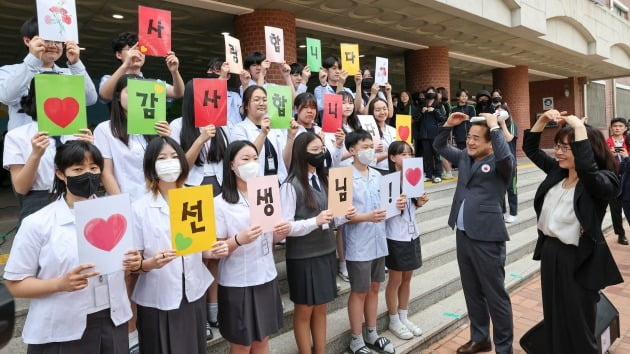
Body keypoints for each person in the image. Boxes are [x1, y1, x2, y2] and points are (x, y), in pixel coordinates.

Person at [4, 140, 140, 353]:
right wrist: (60, 284)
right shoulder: (38, 223)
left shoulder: (118, 214)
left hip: (113, 320)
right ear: (60, 174)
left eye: (94, 168)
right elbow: (15, 283)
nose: (88, 173)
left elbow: (125, 265)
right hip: (60, 328)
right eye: (78, 169)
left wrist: (134, 263)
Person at [524, 110, 623, 354]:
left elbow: (589, 172)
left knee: (579, 321)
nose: (558, 152)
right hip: (551, 252)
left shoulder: (602, 181)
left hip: (579, 259)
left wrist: (580, 128)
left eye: (566, 148)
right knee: (554, 314)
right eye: (557, 146)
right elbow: (531, 150)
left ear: (585, 149)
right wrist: (542, 120)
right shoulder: (558, 174)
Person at [131, 137, 229, 353]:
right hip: (157, 297)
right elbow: (134, 264)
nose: (170, 162)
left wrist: (214, 250)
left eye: (175, 157)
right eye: (162, 157)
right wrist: (150, 263)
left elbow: (202, 246)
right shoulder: (139, 208)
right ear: (151, 165)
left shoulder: (194, 198)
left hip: (192, 293)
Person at [434, 111, 514, 354]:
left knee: (495, 295)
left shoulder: (500, 164)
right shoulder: (466, 158)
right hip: (464, 234)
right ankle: (480, 338)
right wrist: (448, 125)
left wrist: (495, 127)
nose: (470, 142)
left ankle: (504, 348)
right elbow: (439, 145)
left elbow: (507, 159)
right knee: (472, 291)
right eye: (469, 137)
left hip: (488, 237)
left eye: (477, 138)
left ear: (490, 142)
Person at [281, 132, 356, 354]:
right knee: (304, 310)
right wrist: (314, 221)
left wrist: (345, 214)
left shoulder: (325, 179)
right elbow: (285, 228)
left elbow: (332, 218)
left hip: (325, 251)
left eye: (322, 149)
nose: (320, 154)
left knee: (322, 307)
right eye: (314, 150)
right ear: (301, 154)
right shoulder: (290, 185)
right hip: (302, 255)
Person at [214, 140, 291, 353]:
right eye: (245, 159)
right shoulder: (220, 203)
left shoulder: (266, 193)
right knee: (242, 343)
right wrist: (238, 239)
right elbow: (216, 250)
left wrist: (280, 232)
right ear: (231, 165)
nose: (252, 163)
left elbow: (272, 237)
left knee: (263, 339)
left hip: (265, 276)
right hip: (239, 282)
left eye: (255, 158)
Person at [3, 74, 93, 222]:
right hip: (39, 203)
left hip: (80, 199)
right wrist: (35, 155)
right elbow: (21, 188)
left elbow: (93, 176)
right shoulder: (17, 136)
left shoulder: (80, 134)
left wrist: (90, 152)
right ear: (35, 98)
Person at [343, 130, 395, 354]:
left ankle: (371, 331)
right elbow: (338, 215)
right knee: (359, 291)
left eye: (371, 146)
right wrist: (366, 217)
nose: (369, 151)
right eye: (364, 147)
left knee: (374, 287)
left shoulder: (377, 175)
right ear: (352, 151)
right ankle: (356, 339)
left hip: (378, 241)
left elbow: (386, 207)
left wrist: (398, 204)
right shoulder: (343, 177)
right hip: (359, 244)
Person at [0, 17, 97, 130]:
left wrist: (76, 63)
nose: (52, 45)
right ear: (27, 41)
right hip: (26, 144)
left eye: (57, 41)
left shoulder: (71, 73)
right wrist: (32, 60)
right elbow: (6, 97)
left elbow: (90, 99)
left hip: (64, 143)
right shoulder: (9, 71)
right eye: (45, 40)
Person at [94, 74, 172, 200]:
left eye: (139, 92)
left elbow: (167, 167)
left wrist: (166, 139)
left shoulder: (156, 129)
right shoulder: (104, 129)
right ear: (118, 97)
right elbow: (106, 173)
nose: (136, 97)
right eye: (130, 92)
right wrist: (122, 204)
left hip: (155, 201)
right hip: (123, 201)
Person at [385, 141, 429, 340]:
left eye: (410, 154)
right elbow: (384, 213)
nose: (407, 158)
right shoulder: (388, 181)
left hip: (412, 233)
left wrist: (419, 203)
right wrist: (394, 205)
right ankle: (394, 319)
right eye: (402, 154)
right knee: (395, 279)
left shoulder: (414, 178)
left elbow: (413, 208)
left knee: (407, 278)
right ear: (392, 158)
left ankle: (404, 316)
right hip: (395, 235)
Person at [231, 85, 298, 183]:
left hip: (279, 183)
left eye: (265, 100)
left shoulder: (275, 129)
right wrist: (263, 133)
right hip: (256, 185)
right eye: (256, 100)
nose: (262, 103)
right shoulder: (239, 129)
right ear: (245, 105)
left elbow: (286, 162)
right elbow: (247, 161)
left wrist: (290, 137)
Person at [98, 32, 184, 103]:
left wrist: (175, 72)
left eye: (141, 50)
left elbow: (178, 93)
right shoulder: (108, 79)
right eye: (131, 50)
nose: (137, 53)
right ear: (119, 55)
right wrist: (125, 65)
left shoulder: (153, 84)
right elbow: (105, 95)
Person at [606, 117, 630, 245]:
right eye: (615, 126)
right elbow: (601, 160)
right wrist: (610, 156)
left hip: (627, 178)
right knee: (615, 209)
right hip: (613, 178)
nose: (617, 128)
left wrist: (627, 156)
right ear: (611, 128)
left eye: (620, 126)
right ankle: (621, 234)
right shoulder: (606, 142)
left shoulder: (629, 141)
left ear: (625, 128)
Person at [415, 87, 445, 183]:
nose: (430, 94)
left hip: (435, 133)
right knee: (427, 155)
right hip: (424, 134)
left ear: (435, 94)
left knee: (437, 155)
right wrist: (421, 112)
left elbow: (442, 118)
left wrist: (434, 111)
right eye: (428, 92)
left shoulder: (439, 105)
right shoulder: (422, 105)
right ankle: (428, 174)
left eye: (432, 92)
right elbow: (416, 119)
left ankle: (438, 174)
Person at [495, 105, 518, 224]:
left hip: (510, 161)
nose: (498, 112)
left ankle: (513, 213)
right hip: (497, 161)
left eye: (501, 110)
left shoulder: (512, 125)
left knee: (511, 188)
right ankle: (502, 212)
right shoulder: (494, 127)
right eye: (497, 110)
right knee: (500, 188)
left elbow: (509, 138)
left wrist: (503, 124)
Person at [206, 58, 244, 127]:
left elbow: (245, 111)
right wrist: (222, 76)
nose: (218, 75)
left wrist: (245, 84)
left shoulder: (235, 96)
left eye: (219, 71)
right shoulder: (204, 94)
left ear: (228, 76)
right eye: (213, 71)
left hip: (235, 134)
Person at [369, 98, 397, 172]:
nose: (382, 112)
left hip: (394, 169)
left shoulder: (393, 130)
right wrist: (390, 153)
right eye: (378, 110)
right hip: (377, 170)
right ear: (372, 112)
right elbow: (367, 160)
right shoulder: (367, 131)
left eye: (384, 109)